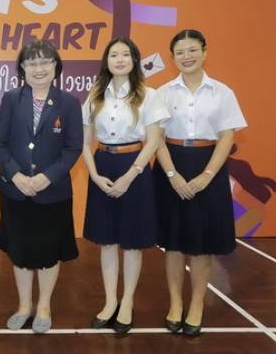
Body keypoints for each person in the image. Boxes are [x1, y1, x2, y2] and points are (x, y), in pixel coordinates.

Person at [153, 29, 246, 336]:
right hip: (171, 166)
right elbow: (157, 138)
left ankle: (196, 305)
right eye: (180, 52)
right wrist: (172, 175)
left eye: (192, 50)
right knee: (173, 244)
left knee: (201, 244)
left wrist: (207, 175)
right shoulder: (163, 93)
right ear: (172, 57)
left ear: (205, 52)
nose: (187, 56)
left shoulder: (222, 92)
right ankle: (175, 303)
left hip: (208, 167)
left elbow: (227, 137)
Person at [0, 39, 82, 334]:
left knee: (48, 252)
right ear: (22, 68)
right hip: (15, 191)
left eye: (45, 62)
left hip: (52, 192)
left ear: (56, 66)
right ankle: (23, 305)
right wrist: (16, 175)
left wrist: (47, 177)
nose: (38, 69)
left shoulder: (69, 102)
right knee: (19, 251)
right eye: (31, 63)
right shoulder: (10, 98)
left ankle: (44, 305)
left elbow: (73, 147)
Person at [82, 37, 168, 335]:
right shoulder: (95, 95)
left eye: (125, 55)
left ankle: (127, 302)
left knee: (132, 242)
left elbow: (154, 141)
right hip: (103, 166)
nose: (119, 59)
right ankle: (109, 302)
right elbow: (85, 143)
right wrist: (94, 175)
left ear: (134, 60)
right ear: (106, 61)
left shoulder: (149, 95)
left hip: (135, 167)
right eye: (113, 55)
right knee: (107, 241)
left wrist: (130, 176)